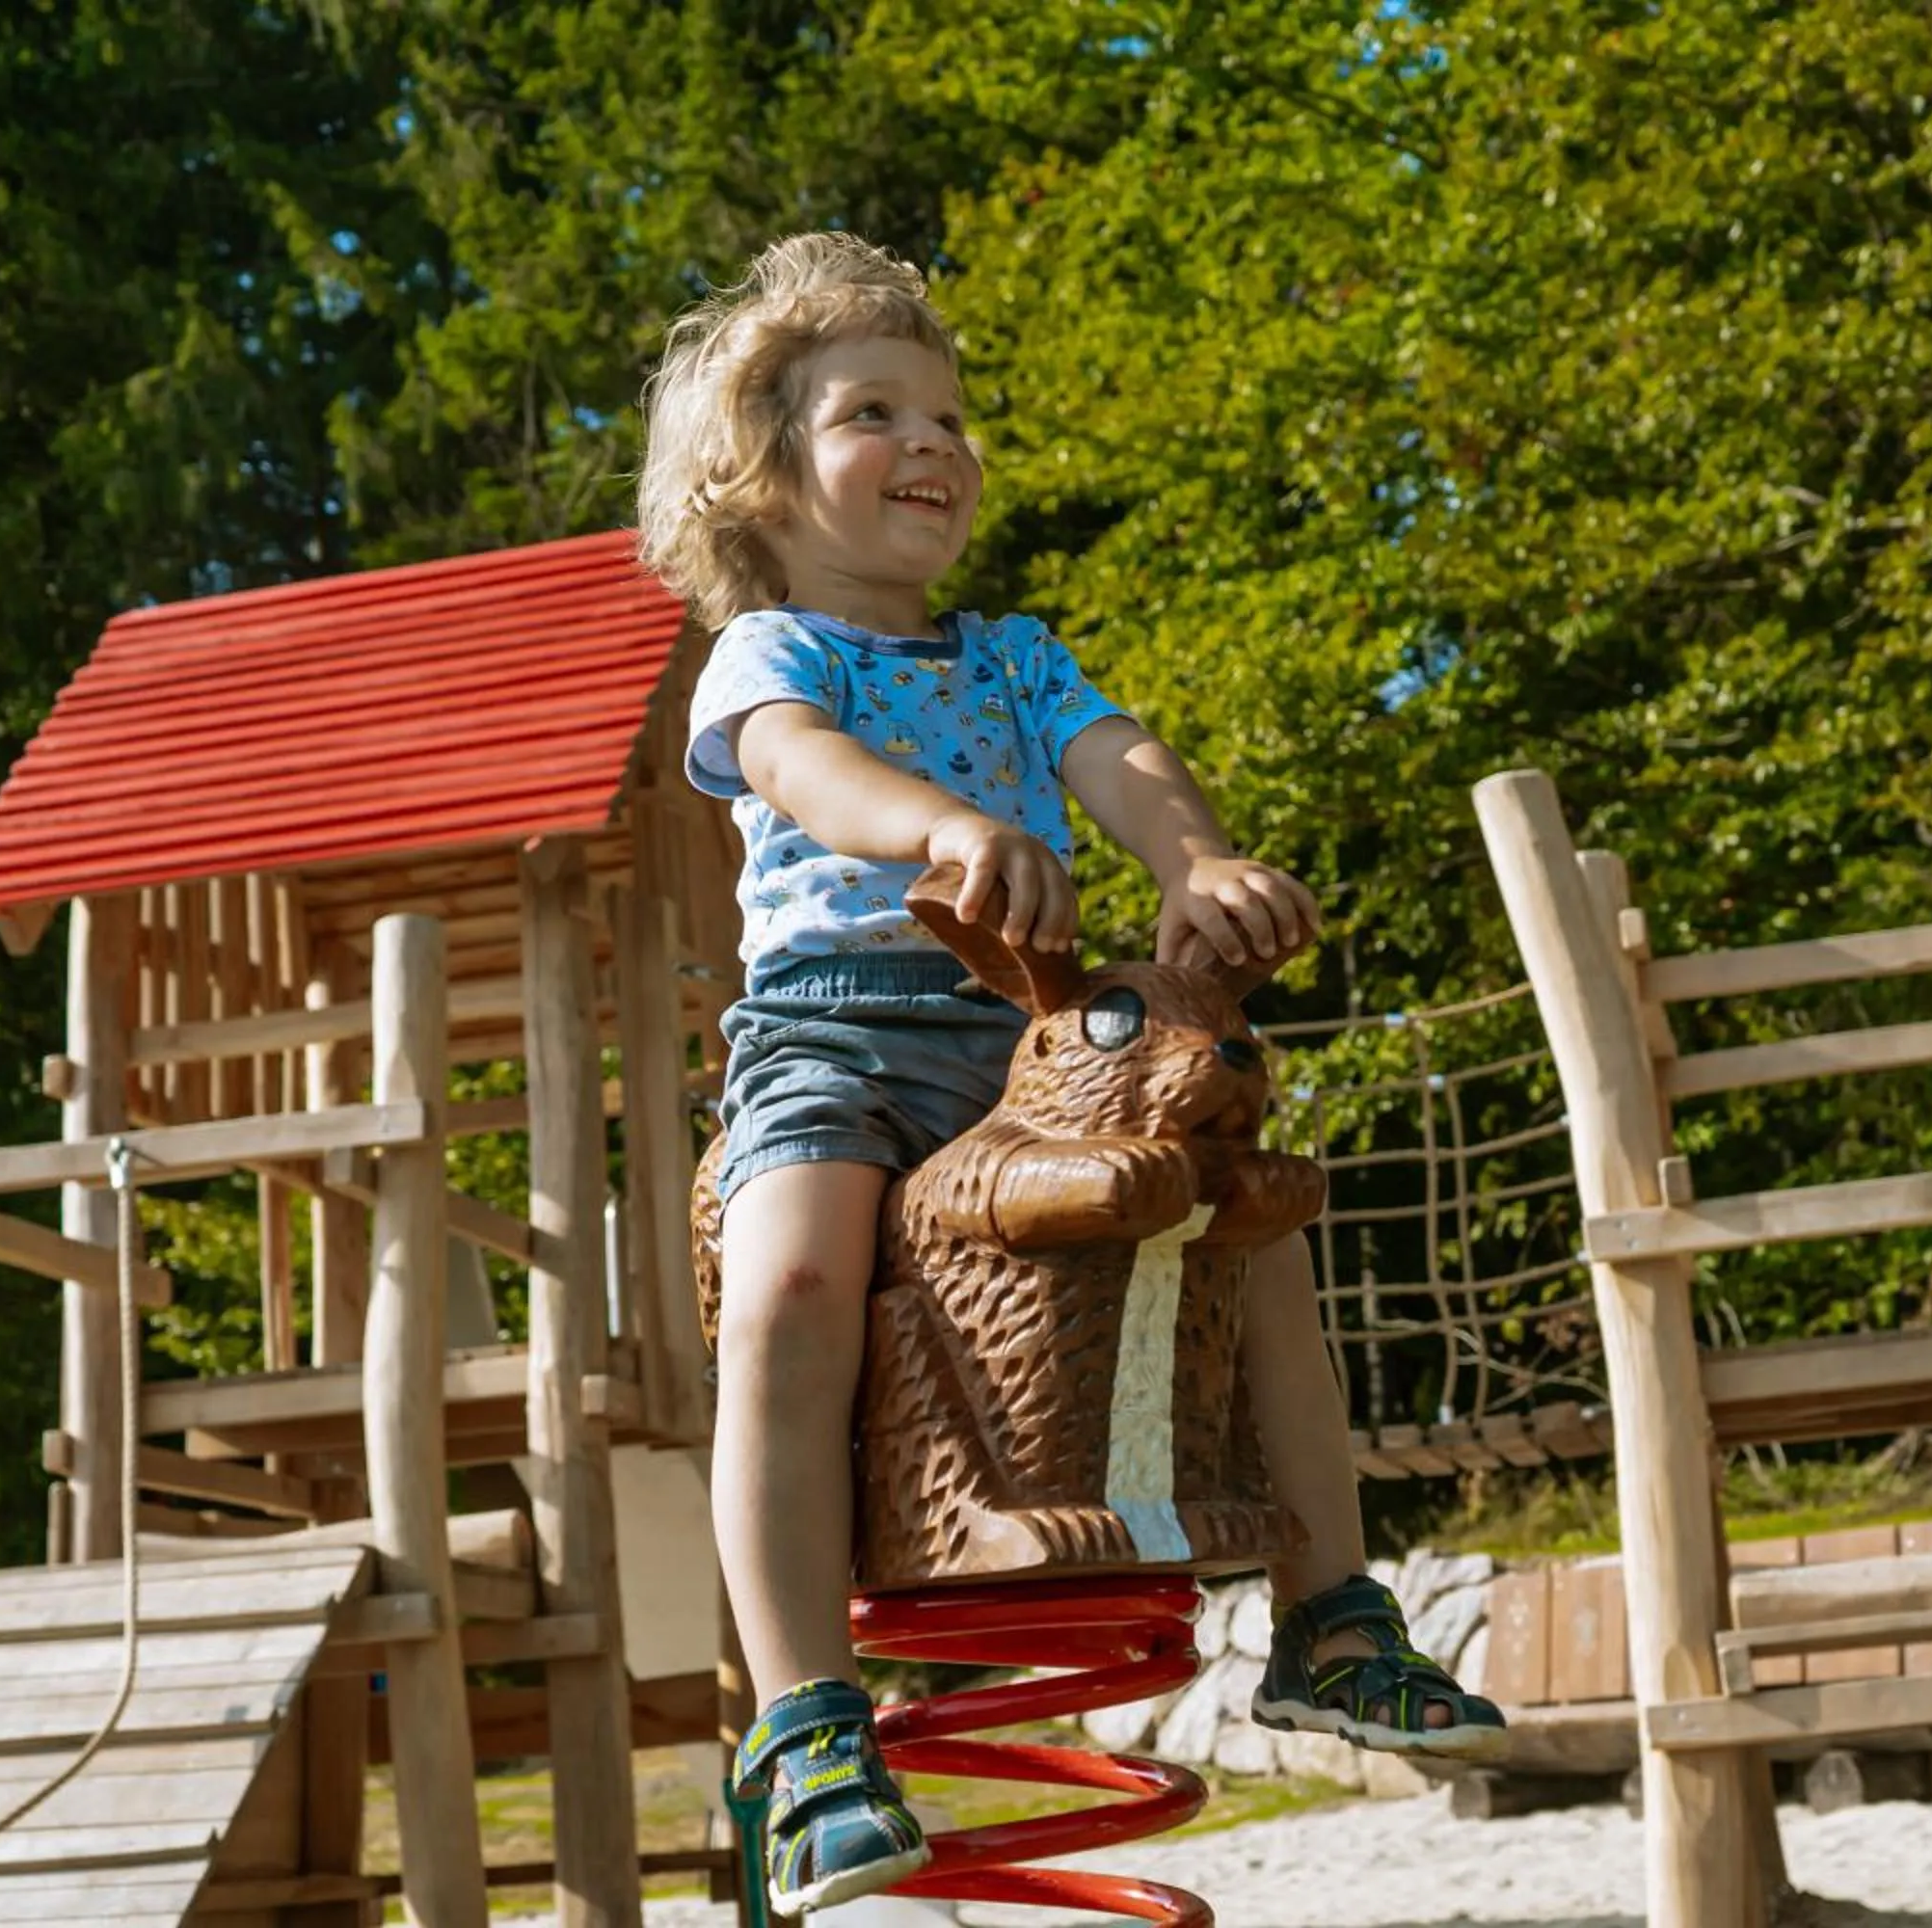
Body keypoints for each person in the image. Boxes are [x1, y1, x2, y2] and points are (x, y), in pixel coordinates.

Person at [637, 231, 1504, 1915]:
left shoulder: (1019, 658)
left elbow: (1126, 759)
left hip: (1037, 1049)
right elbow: (811, 778)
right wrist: (951, 824)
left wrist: (1193, 865)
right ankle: (809, 1723)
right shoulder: (771, 656)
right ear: (760, 478)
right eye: (875, 411)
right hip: (838, 1035)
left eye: (953, 416)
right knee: (787, 1284)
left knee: (1251, 1238)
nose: (936, 443)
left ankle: (1334, 1620)